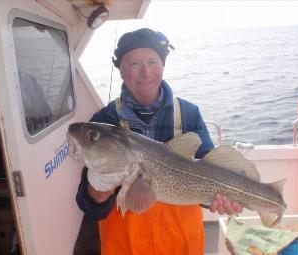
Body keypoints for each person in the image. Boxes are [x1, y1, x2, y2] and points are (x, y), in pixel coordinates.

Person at [76, 28, 242, 255]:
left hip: (181, 242)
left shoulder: (188, 113)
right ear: (121, 70)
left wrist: (216, 199)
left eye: (152, 62)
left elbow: (208, 174)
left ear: (162, 66)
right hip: (125, 244)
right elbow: (88, 206)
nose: (145, 72)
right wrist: (100, 188)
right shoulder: (104, 121)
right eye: (134, 63)